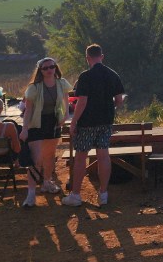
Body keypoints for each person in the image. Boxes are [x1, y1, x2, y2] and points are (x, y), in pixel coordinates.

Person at [62, 44, 125, 208]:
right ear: (102, 56)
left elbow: (82, 102)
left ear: (87, 58)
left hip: (87, 123)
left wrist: (74, 121)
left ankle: (75, 195)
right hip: (106, 122)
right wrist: (109, 106)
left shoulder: (85, 76)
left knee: (81, 157)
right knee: (103, 156)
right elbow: (119, 100)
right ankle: (103, 194)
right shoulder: (113, 75)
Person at [21, 57, 71, 207]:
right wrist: (24, 129)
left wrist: (66, 114)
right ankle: (31, 195)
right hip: (36, 123)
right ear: (40, 71)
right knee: (35, 159)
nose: (49, 70)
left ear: (56, 67)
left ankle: (47, 182)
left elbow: (66, 100)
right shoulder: (34, 87)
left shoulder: (61, 83)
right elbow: (28, 110)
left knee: (50, 156)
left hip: (53, 122)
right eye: (45, 68)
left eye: (52, 67)